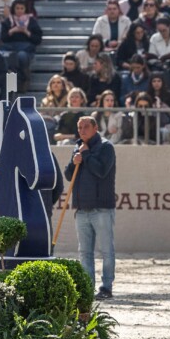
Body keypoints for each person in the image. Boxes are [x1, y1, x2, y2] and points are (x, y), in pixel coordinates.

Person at [65, 115, 118, 298]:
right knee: (84, 252)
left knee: (106, 250)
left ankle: (106, 287)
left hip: (101, 208)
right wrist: (74, 162)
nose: (82, 131)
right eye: (80, 127)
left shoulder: (106, 147)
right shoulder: (78, 147)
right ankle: (88, 288)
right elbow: (68, 175)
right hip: (81, 209)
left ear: (95, 128)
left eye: (86, 127)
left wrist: (86, 155)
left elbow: (101, 171)